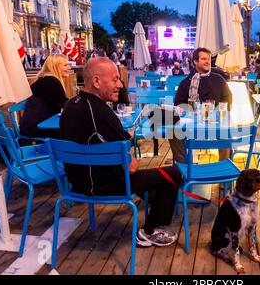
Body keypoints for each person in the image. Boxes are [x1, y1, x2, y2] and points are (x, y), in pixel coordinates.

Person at [60, 57, 182, 246]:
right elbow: (131, 167)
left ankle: (158, 207)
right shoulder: (101, 113)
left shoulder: (70, 105)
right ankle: (149, 232)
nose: (120, 84)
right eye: (115, 79)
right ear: (96, 81)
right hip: (102, 185)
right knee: (172, 174)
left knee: (153, 179)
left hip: (76, 182)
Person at [171, 47, 232, 163]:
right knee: (173, 133)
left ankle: (224, 169)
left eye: (208, 59)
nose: (207, 61)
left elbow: (228, 97)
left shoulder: (218, 79)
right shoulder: (186, 83)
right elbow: (178, 103)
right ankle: (183, 168)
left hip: (215, 121)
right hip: (192, 123)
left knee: (225, 131)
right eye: (204, 59)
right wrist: (188, 112)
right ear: (195, 61)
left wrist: (219, 112)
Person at [19, 54, 70, 139]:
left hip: (28, 129)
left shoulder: (44, 79)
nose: (69, 68)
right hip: (36, 132)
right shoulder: (51, 82)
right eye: (65, 65)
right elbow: (66, 105)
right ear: (55, 67)